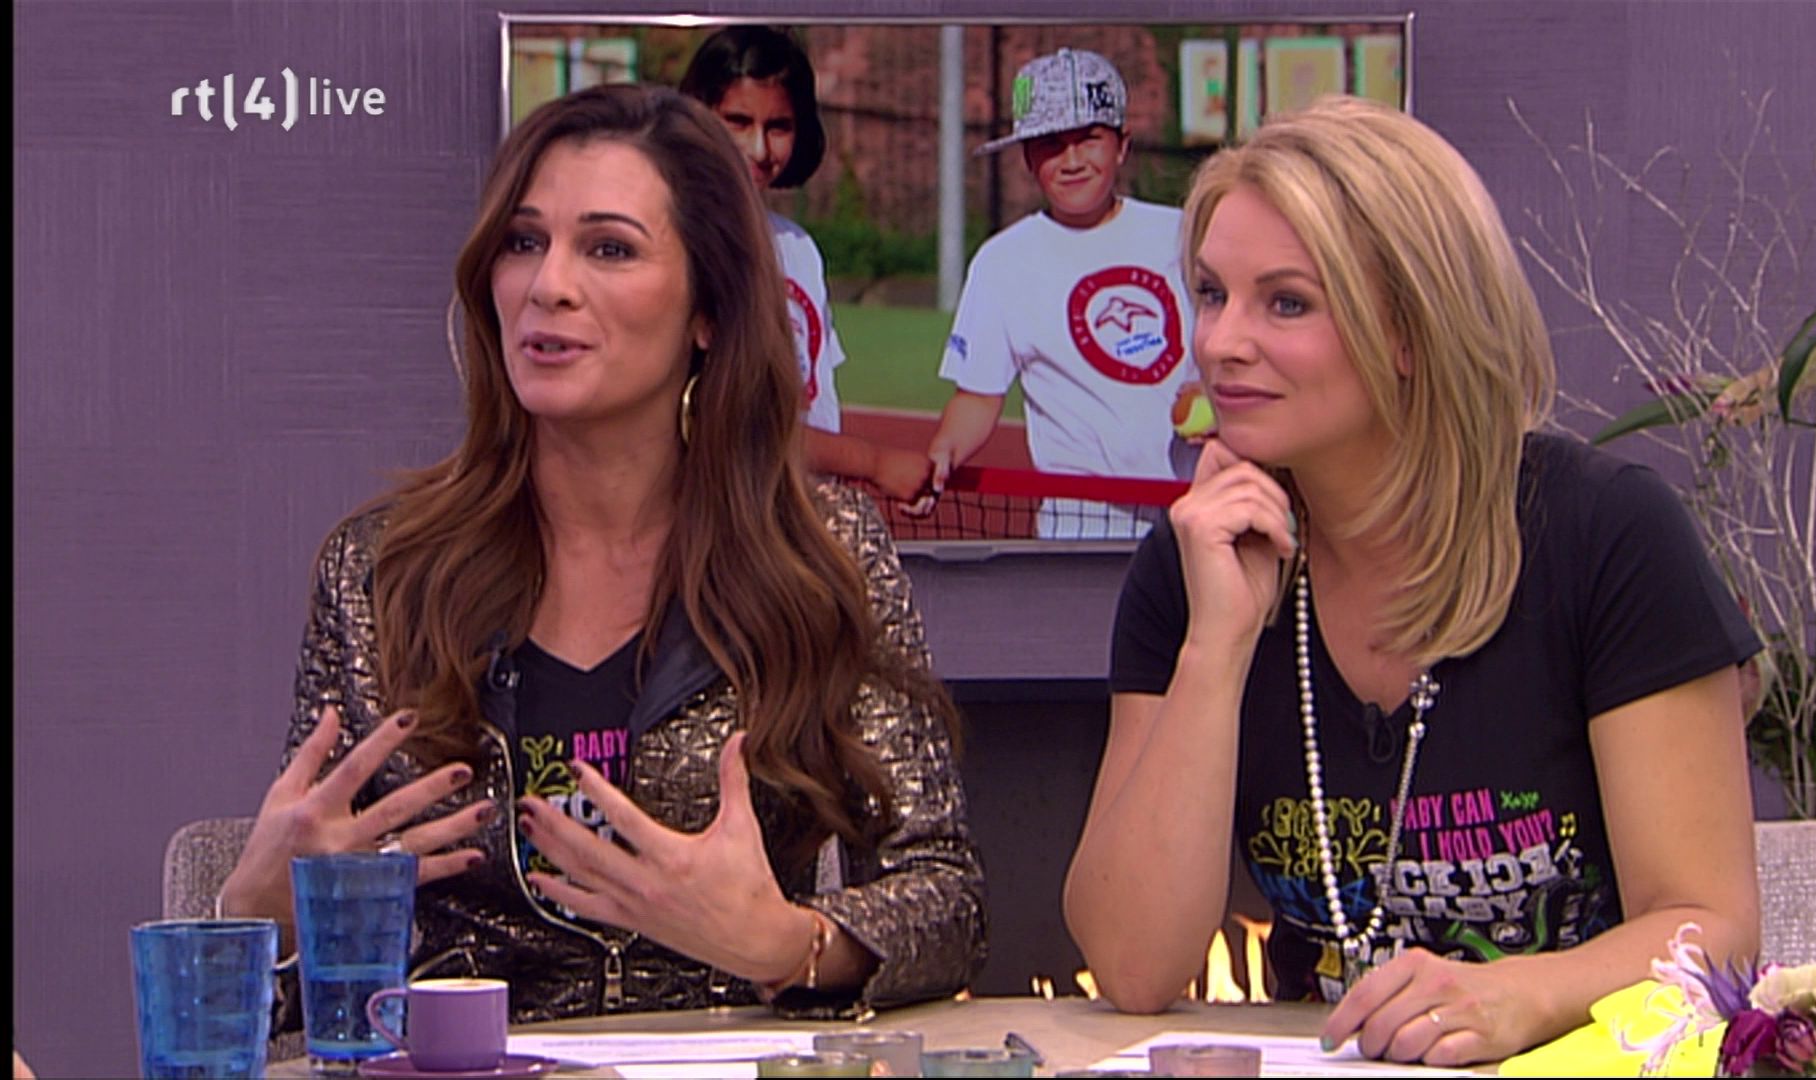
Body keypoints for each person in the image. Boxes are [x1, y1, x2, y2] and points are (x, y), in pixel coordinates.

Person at [214, 83, 987, 1033]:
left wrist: (789, 943)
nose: (549, 285)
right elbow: (295, 1007)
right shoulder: (381, 573)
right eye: (523, 242)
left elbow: (946, 898)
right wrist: (257, 919)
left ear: (708, 308)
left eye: (609, 248)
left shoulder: (823, 554)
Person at [1062, 96, 1761, 1066]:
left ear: (1410, 328)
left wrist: (1520, 996)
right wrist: (1215, 648)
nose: (1220, 343)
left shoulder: (1605, 537)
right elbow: (1133, 969)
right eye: (1213, 294)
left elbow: (1711, 928)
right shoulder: (1196, 564)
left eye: (1286, 302)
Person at [911, 47, 1197, 539]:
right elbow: (977, 398)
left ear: (1122, 145)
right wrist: (942, 452)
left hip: (1193, 513)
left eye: (1089, 140)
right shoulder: (1002, 262)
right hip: (1082, 526)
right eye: (1051, 144)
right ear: (1028, 157)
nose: (1072, 161)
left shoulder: (1187, 235)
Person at [679, 25, 934, 504]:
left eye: (778, 127)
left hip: (800, 513)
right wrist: (874, 462)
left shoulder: (797, 248)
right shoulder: (679, 245)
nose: (759, 149)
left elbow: (816, 400)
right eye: (737, 121)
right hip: (721, 516)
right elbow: (733, 426)